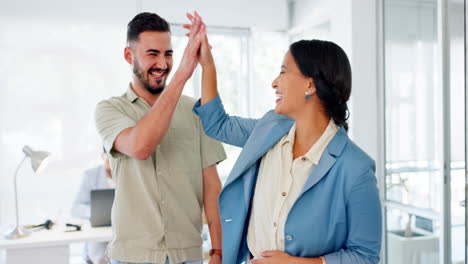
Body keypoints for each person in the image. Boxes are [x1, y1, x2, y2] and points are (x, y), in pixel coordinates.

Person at [189, 13, 382, 264]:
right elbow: (218, 124)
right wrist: (207, 65)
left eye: (283, 72)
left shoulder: (355, 168)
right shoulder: (270, 129)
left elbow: (365, 256)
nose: (274, 82)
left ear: (310, 85)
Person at [94, 12, 226, 264]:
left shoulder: (196, 112)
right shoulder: (110, 110)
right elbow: (139, 146)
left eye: (168, 54)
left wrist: (218, 251)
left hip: (188, 255)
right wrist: (184, 73)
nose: (163, 64)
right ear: (128, 56)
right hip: (132, 257)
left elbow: (212, 188)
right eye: (152, 54)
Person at [71, 149, 114, 264]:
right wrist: (96, 211)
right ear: (103, 156)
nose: (112, 161)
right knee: (100, 255)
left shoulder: (128, 175)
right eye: (109, 157)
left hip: (120, 232)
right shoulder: (91, 175)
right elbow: (76, 208)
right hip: (98, 234)